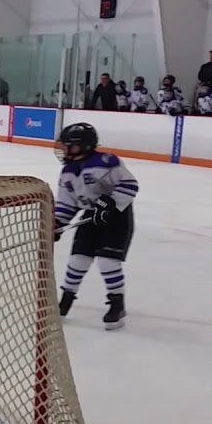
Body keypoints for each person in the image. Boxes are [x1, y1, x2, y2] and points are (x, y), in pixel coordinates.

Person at [53, 122, 138, 330]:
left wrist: (109, 204)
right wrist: (57, 223)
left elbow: (129, 184)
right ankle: (66, 301)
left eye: (68, 146)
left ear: (84, 146)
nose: (63, 150)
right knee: (77, 259)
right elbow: (67, 203)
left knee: (107, 262)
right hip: (91, 215)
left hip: (116, 218)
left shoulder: (107, 161)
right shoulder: (68, 171)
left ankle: (117, 304)